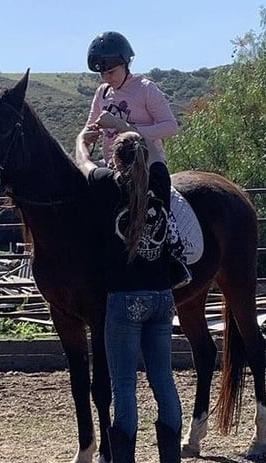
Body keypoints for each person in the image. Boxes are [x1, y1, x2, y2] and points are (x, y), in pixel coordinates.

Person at [75, 126, 184, 463]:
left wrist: (82, 140)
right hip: (162, 297)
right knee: (164, 382)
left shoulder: (107, 184)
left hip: (124, 299)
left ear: (115, 159)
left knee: (124, 387)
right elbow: (157, 154)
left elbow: (84, 164)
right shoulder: (161, 178)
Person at [85, 31, 192, 289]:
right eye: (102, 73)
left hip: (147, 167)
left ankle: (174, 261)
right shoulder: (102, 93)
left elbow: (170, 126)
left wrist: (123, 125)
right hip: (112, 166)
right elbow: (90, 125)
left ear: (125, 63)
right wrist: (88, 135)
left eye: (111, 71)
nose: (107, 78)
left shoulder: (146, 89)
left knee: (155, 211)